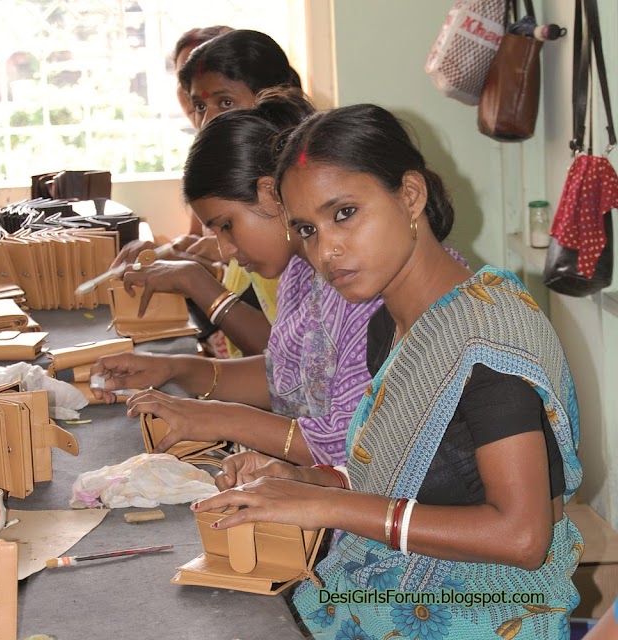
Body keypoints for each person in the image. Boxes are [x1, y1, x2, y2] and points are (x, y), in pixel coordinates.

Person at [192, 104, 583, 639]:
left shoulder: (487, 342)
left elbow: (521, 537)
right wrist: (299, 481)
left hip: (490, 615)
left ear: (411, 195)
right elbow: (418, 480)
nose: (326, 249)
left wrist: (327, 503)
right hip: (395, 593)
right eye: (306, 228)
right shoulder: (391, 326)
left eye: (345, 213)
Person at [92, 90, 383, 467]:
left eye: (227, 226)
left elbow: (348, 444)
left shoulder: (360, 285)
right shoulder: (300, 271)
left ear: (269, 195)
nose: (226, 250)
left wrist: (222, 418)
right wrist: (176, 369)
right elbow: (284, 377)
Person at [112, 29, 303, 356]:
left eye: (225, 102)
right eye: (199, 105)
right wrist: (179, 258)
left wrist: (194, 279)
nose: (208, 120)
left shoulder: (296, 208)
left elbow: (287, 363)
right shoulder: (243, 185)